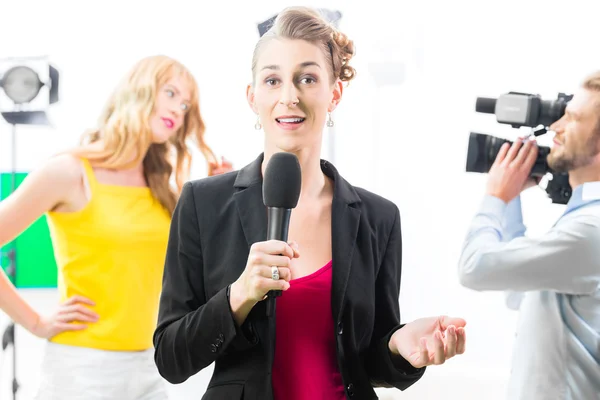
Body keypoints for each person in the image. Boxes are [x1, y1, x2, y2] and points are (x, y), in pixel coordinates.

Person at [153, 7, 467, 400]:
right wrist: (240, 295)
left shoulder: (378, 218)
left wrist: (402, 347)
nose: (289, 97)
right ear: (253, 98)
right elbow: (171, 359)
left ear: (334, 93)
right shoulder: (203, 203)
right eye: (272, 80)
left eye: (307, 78)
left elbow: (369, 363)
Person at [0, 54, 232, 400]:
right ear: (139, 91)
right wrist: (36, 323)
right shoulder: (70, 171)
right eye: (170, 93)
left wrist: (217, 201)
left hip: (150, 365)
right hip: (82, 370)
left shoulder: (163, 188)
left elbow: (195, 274)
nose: (178, 110)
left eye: (185, 105)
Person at [457, 71, 600, 399]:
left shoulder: (590, 230)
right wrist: (511, 198)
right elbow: (519, 290)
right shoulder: (582, 222)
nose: (555, 128)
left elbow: (474, 268)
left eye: (574, 118)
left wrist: (496, 197)